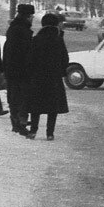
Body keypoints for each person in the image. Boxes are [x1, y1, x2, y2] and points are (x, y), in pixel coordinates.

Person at [27, 12, 70, 141]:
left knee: (36, 106)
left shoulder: (36, 39)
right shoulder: (58, 40)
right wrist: (60, 72)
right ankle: (50, 133)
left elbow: (30, 59)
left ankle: (33, 130)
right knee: (53, 107)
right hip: (54, 78)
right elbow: (65, 59)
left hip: (38, 77)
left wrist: (32, 72)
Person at [2, 4, 36, 136]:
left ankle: (17, 122)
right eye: (31, 16)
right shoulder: (23, 31)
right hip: (21, 70)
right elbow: (25, 53)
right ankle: (19, 124)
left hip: (12, 69)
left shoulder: (14, 29)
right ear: (28, 17)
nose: (32, 19)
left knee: (14, 97)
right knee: (21, 98)